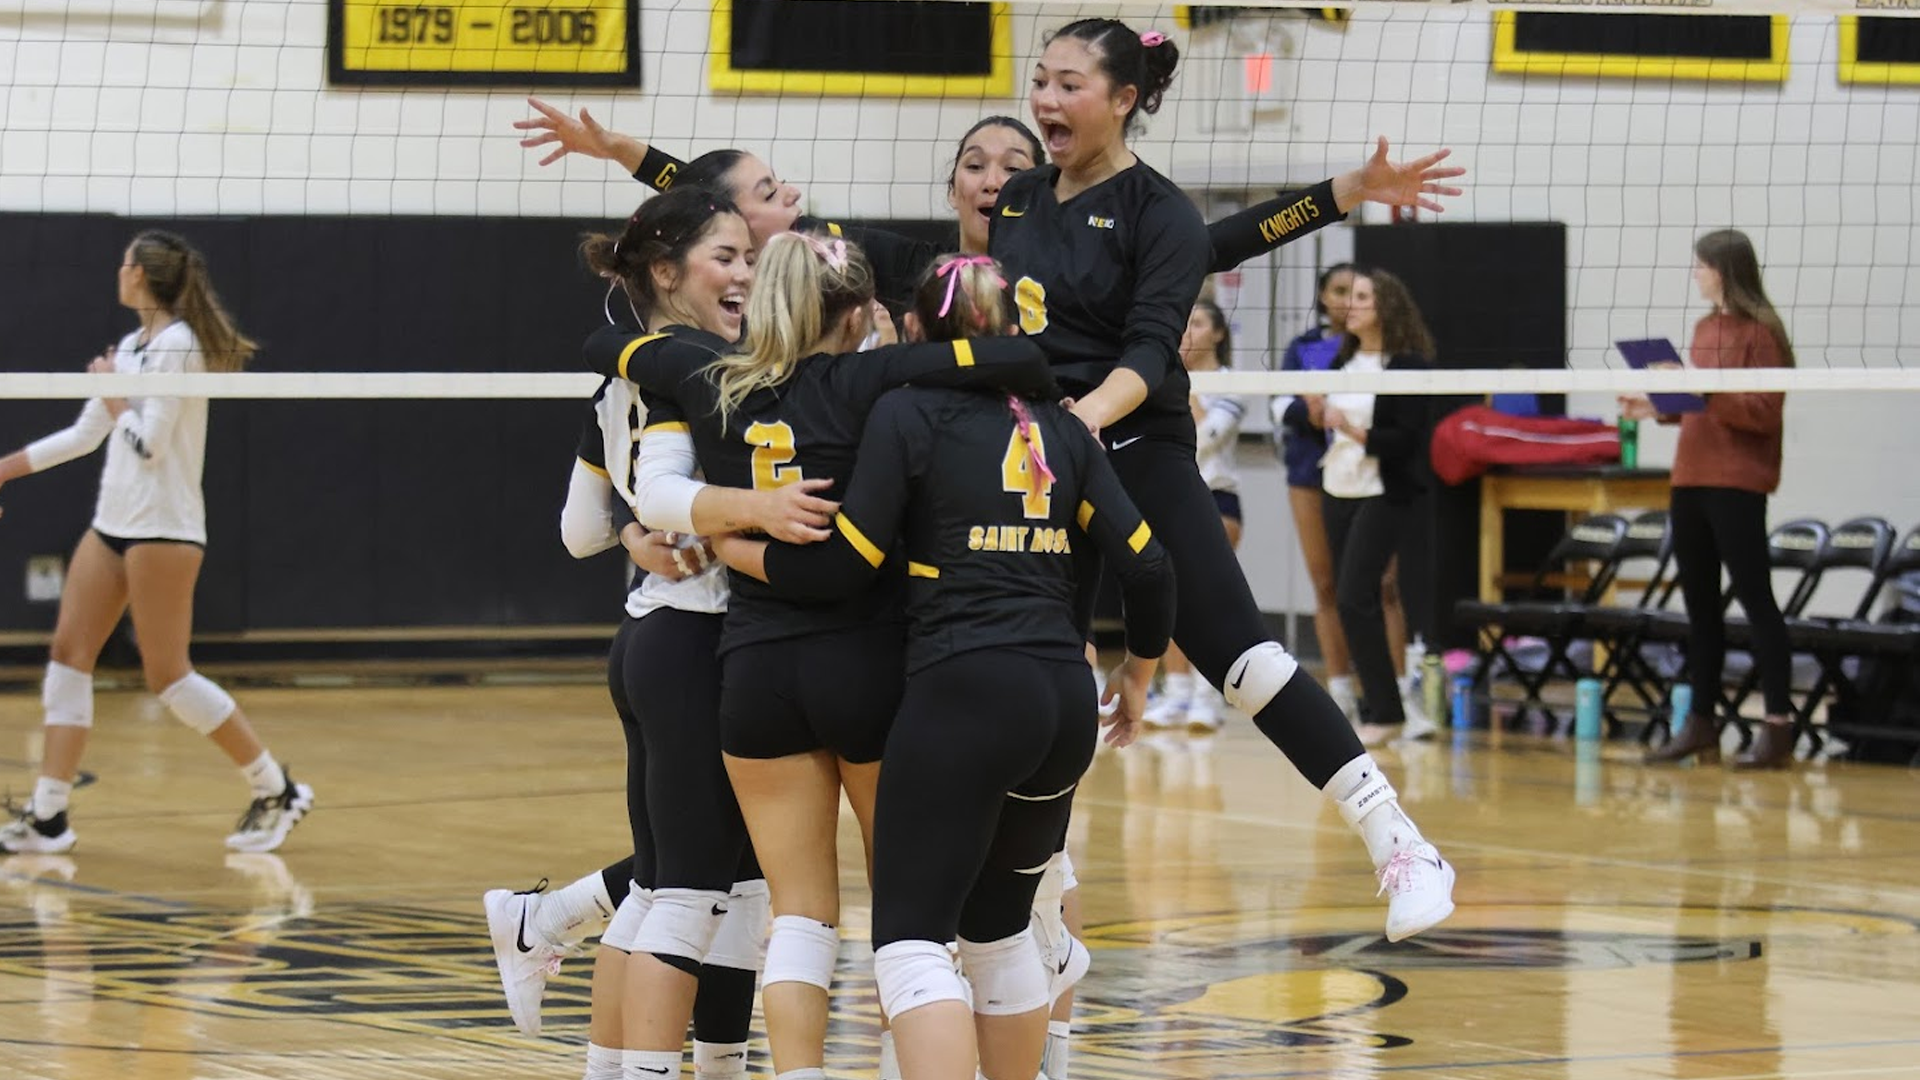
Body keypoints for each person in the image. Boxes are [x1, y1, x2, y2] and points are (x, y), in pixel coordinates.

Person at [988, 17, 1458, 941]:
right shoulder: (1017, 200)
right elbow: (1231, 239)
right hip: (1035, 460)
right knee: (1030, 677)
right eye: (1039, 80)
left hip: (1130, 450)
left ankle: (1396, 836)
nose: (1045, 99)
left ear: (1124, 99)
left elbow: (1150, 350)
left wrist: (1077, 424)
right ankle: (1032, 913)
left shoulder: (1155, 210)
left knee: (1242, 661)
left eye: (1068, 83)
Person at [586, 230, 1055, 1080]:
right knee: (906, 920)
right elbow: (1012, 356)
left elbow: (605, 346)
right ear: (857, 314)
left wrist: (729, 524)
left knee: (798, 916)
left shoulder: (708, 381)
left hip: (757, 673)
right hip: (869, 669)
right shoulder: (872, 381)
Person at [711, 253, 1176, 1080]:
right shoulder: (1063, 426)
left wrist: (737, 552)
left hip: (963, 692)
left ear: (916, 330)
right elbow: (1149, 569)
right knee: (999, 929)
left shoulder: (906, 411)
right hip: (1063, 706)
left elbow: (848, 567)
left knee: (912, 941)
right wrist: (1137, 676)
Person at [0, 231, 313, 855]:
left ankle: (276, 787)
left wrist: (117, 398)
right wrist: (5, 468)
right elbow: (86, 436)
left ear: (141, 276)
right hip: (114, 523)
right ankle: (49, 815)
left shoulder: (179, 347)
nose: (118, 271)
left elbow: (150, 446)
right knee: (68, 655)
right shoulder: (133, 344)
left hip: (164, 529)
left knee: (167, 676)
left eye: (124, 264)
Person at [1625, 228, 1794, 770]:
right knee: (1700, 606)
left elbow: (1764, 412)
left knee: (1756, 601)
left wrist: (1702, 388)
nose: (1695, 274)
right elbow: (1696, 405)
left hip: (1738, 481)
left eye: (1700, 265)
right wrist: (1656, 406)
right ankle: (1701, 722)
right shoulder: (1703, 328)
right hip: (1691, 476)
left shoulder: (1762, 332)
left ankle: (1777, 725)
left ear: (1722, 269)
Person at [1272, 264, 1410, 723]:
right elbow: (1279, 403)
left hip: (1370, 476)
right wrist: (1311, 414)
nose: (1347, 301)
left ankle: (1397, 688)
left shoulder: (1390, 354)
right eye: (1339, 291)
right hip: (1313, 473)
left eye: (1358, 293)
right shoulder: (1307, 349)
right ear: (1322, 297)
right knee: (1328, 586)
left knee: (1380, 586)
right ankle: (1341, 691)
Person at [1319, 269, 1439, 745]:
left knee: (1356, 594)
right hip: (1337, 486)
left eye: (1363, 297)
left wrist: (1355, 431)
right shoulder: (1339, 365)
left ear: (1386, 305)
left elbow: (1406, 439)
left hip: (1384, 491)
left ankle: (1388, 710)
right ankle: (1380, 705)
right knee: (1350, 598)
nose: (1351, 305)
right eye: (1348, 296)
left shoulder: (1409, 366)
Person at [1143, 297, 1244, 733]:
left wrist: (1184, 385)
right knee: (1166, 598)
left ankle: (1209, 697)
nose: (1186, 332)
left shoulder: (1232, 382)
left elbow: (1206, 440)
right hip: (1168, 496)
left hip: (1217, 498)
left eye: (1197, 324)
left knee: (1205, 600)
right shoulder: (1158, 376)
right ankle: (1177, 693)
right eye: (1182, 324)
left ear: (1218, 333)